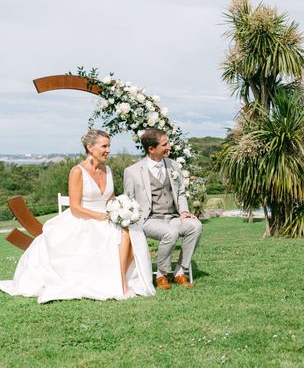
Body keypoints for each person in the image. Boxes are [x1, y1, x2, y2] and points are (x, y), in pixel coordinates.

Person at [0, 130, 155, 303]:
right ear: (90, 147)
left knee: (133, 232)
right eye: (104, 146)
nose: (108, 150)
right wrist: (102, 217)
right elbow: (75, 208)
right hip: (84, 219)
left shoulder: (108, 170)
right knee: (123, 234)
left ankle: (119, 281)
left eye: (109, 145)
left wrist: (121, 209)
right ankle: (120, 285)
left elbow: (110, 199)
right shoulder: (77, 171)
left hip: (106, 217)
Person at [123, 128, 202, 290]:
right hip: (149, 220)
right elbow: (128, 200)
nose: (169, 147)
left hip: (173, 217)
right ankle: (161, 274)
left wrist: (184, 212)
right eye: (165, 144)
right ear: (151, 149)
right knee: (170, 233)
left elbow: (180, 192)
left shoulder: (173, 165)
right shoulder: (132, 172)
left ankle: (180, 271)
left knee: (196, 226)